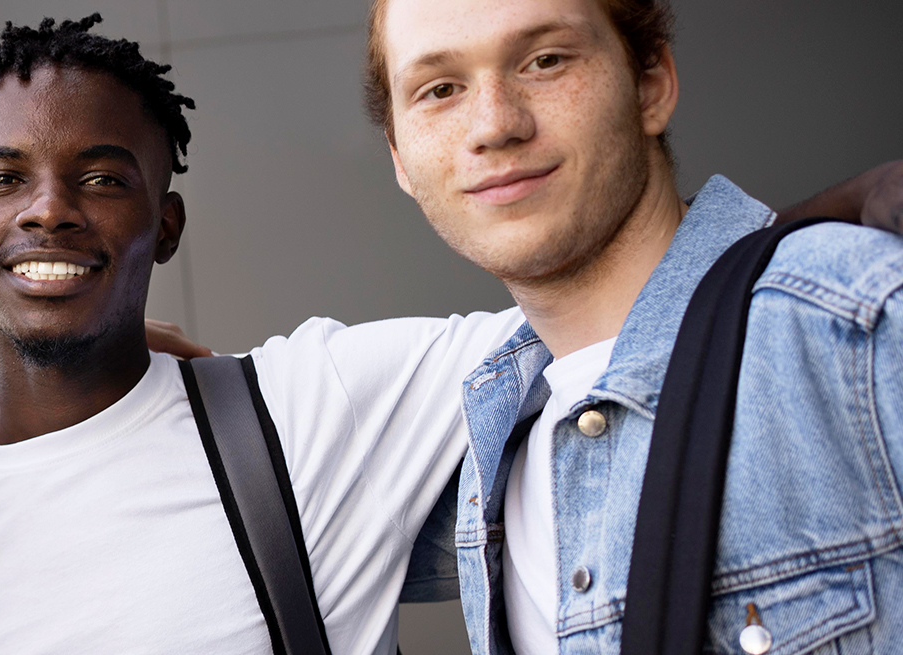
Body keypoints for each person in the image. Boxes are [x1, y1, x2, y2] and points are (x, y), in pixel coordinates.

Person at [0, 13, 903, 655]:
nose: (48, 210)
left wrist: (832, 223)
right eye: (3, 180)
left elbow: (634, 307)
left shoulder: (308, 407)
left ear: (166, 222)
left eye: (103, 176)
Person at [364, 0, 903, 651]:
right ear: (399, 156)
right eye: (440, 89)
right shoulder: (486, 446)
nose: (495, 124)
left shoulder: (862, 322)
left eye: (545, 60)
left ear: (652, 85)